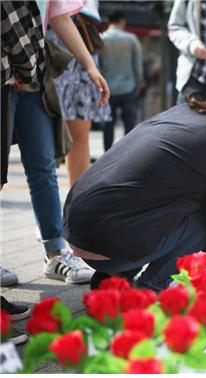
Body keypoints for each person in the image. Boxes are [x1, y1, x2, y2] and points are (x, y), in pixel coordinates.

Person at [63, 65, 206, 292]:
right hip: (109, 242)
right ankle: (149, 290)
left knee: (185, 204)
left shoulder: (191, 111)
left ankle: (113, 281)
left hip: (79, 227)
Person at [1, 0, 110, 287]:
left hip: (33, 74)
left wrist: (89, 65)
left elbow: (59, 16)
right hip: (6, 73)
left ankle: (56, 251)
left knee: (44, 167)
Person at [47, 0, 111, 185]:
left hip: (80, 50)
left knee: (79, 137)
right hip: (47, 48)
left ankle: (76, 205)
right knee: (39, 137)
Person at [99, 11, 143, 151]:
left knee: (108, 124)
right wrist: (139, 82)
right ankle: (128, 153)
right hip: (128, 88)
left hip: (108, 89)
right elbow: (137, 64)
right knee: (129, 124)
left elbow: (97, 65)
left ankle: (107, 154)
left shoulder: (101, 38)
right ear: (122, 21)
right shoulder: (131, 39)